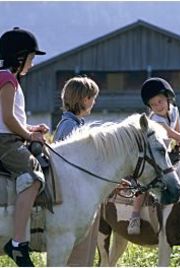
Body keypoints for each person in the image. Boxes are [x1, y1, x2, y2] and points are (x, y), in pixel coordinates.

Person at [127, 77, 180, 235]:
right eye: (153, 105)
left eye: (160, 101)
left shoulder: (174, 110)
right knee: (144, 180)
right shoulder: (156, 120)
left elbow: (178, 133)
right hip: (152, 153)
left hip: (166, 152)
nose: (157, 106)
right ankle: (134, 216)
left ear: (168, 98)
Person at [0, 27, 48, 266]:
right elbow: (8, 120)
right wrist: (29, 136)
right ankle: (18, 243)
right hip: (4, 143)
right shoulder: (7, 78)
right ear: (19, 58)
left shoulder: (9, 79)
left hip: (9, 137)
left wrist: (31, 127)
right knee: (34, 176)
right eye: (31, 58)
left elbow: (10, 119)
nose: (32, 63)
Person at [53, 76, 100, 266]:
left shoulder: (75, 124)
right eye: (93, 97)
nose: (94, 102)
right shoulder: (70, 127)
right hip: (73, 199)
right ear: (85, 99)